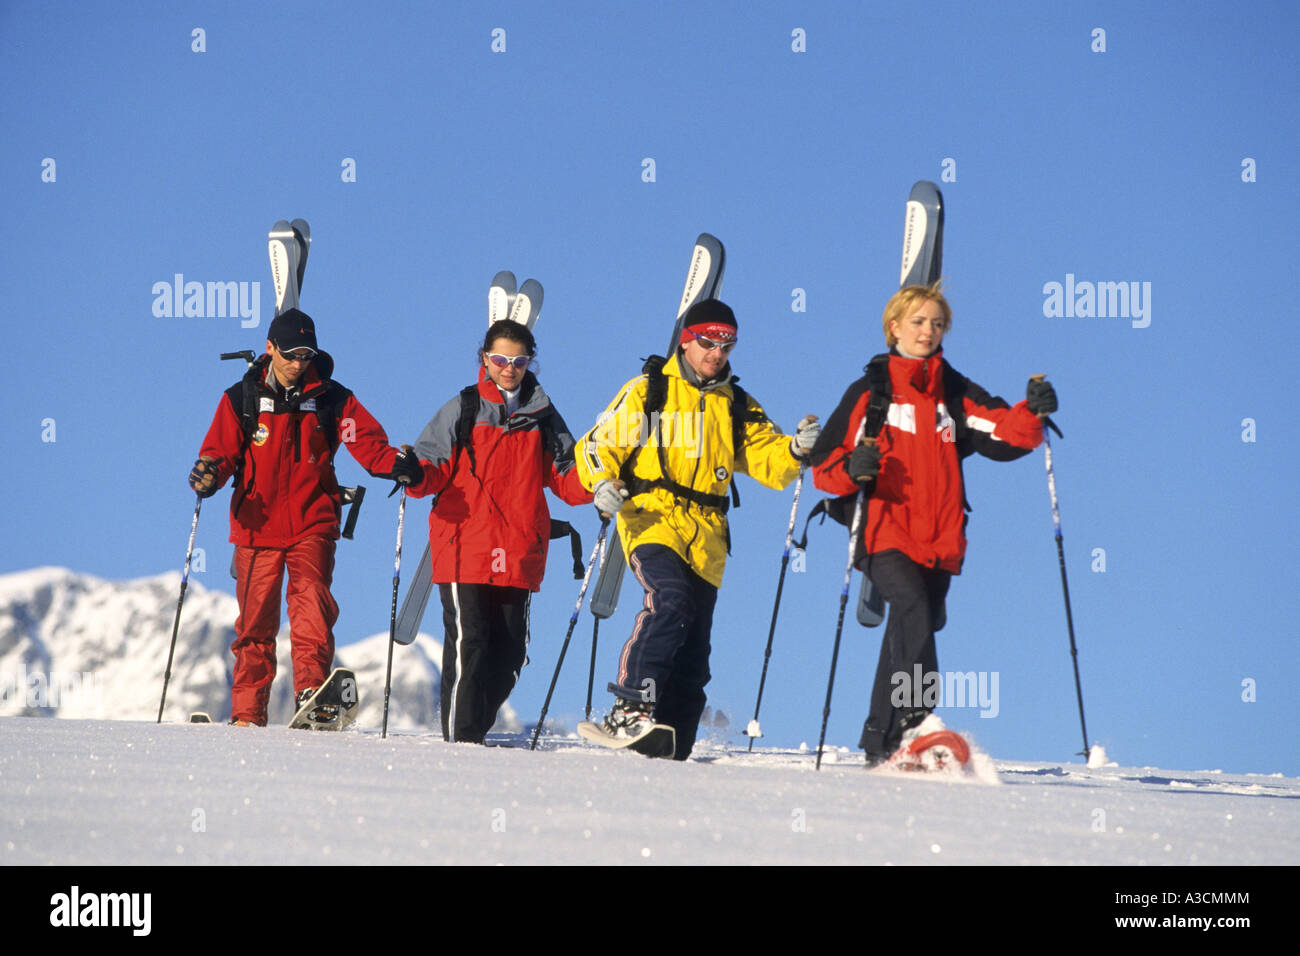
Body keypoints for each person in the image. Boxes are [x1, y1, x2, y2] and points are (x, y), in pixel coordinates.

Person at [808, 282, 1058, 766]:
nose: (928, 331)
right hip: (884, 528)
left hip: (940, 535)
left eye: (937, 323)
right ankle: (917, 720)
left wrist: (1033, 411)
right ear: (894, 327)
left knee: (914, 623)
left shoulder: (953, 389)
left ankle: (880, 742)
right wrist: (855, 467)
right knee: (912, 608)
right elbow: (824, 468)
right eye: (919, 322)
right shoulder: (871, 392)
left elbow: (1001, 432)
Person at [574, 298, 821, 760]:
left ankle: (672, 745)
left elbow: (769, 460)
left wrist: (796, 449)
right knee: (670, 602)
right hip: (652, 519)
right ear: (687, 340)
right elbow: (597, 445)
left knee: (693, 650)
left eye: (727, 344)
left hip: (707, 536)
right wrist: (602, 484)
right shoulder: (650, 391)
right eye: (708, 342)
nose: (717, 352)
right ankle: (629, 706)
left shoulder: (737, 405)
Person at [189, 308, 422, 726]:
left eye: (306, 355)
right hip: (256, 527)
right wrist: (208, 473)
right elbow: (219, 453)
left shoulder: (332, 398)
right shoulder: (241, 398)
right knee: (254, 624)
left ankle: (313, 694)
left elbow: (366, 443)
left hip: (312, 522)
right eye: (291, 354)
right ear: (270, 348)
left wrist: (395, 464)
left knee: (312, 602)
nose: (298, 364)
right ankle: (246, 715)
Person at [404, 319, 593, 744]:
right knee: (470, 645)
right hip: (463, 545)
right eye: (500, 359)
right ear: (484, 359)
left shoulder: (543, 415)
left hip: (518, 550)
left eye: (519, 361)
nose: (509, 368)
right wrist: (413, 472)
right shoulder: (463, 408)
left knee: (510, 654)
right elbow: (429, 467)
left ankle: (471, 730)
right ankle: (462, 743)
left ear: (530, 364)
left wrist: (600, 483)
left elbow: (566, 476)